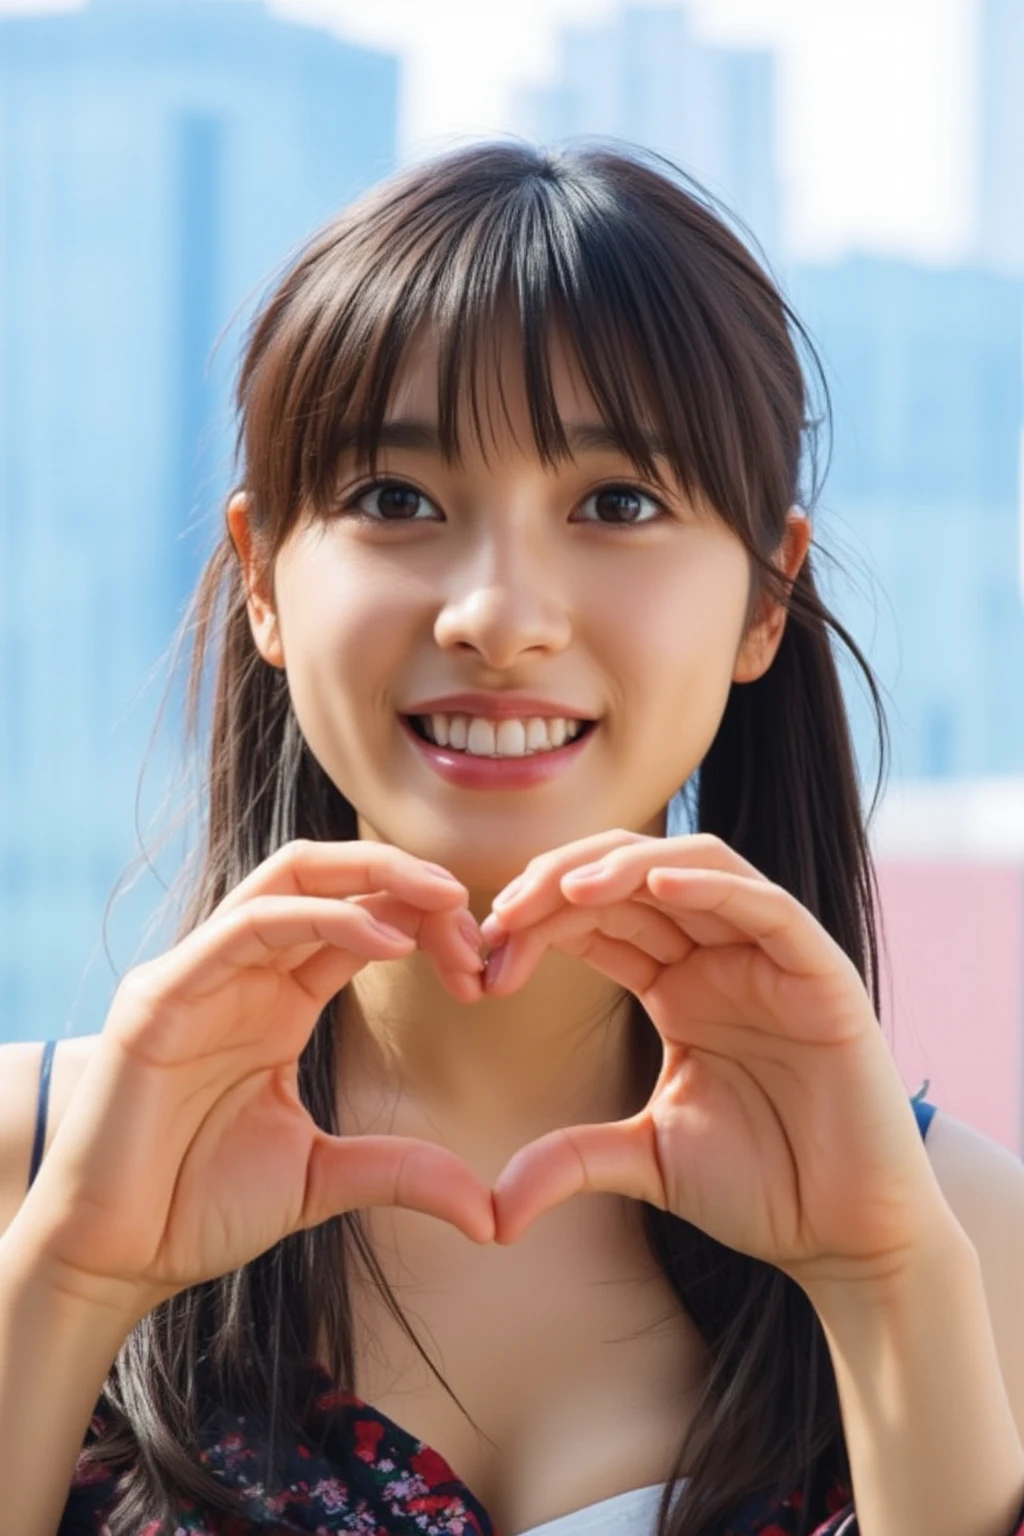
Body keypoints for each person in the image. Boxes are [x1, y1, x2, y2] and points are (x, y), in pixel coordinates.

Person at [1, 140, 1022, 1536]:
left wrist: (886, 1282)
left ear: (765, 600)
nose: (498, 611)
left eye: (617, 503)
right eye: (396, 501)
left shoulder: (966, 1238)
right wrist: (66, 1279)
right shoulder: (33, 1166)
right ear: (262, 580)